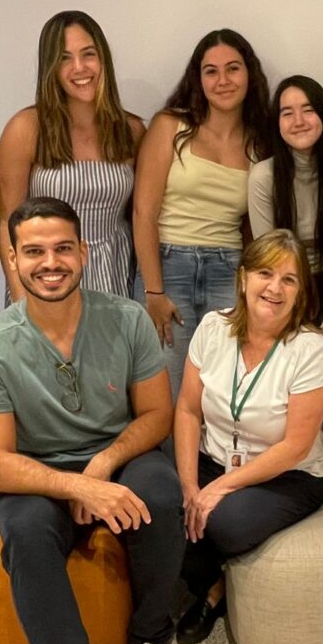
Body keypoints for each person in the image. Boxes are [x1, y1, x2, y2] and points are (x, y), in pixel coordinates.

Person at [0, 197, 184, 644]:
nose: (50, 262)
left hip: (115, 454)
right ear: (13, 260)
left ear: (84, 253)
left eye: (63, 248)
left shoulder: (128, 319)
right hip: (39, 472)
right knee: (25, 535)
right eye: (34, 251)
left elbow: (157, 415)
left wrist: (104, 465)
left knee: (160, 494)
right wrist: (75, 484)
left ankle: (150, 637)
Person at [173, 230, 323, 644]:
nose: (275, 288)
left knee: (222, 523)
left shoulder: (311, 349)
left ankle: (215, 593)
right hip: (215, 458)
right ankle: (208, 581)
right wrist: (191, 486)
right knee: (164, 513)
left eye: (289, 279)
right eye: (266, 273)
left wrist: (218, 490)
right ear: (243, 277)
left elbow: (295, 447)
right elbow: (188, 410)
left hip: (287, 475)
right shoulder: (213, 328)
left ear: (301, 292)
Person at [132, 29, 271, 396]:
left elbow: (253, 227)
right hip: (168, 267)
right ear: (198, 78)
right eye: (211, 71)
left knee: (223, 390)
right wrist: (153, 292)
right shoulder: (170, 126)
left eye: (233, 68)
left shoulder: (260, 142)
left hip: (228, 271)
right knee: (168, 390)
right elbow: (143, 213)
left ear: (249, 74)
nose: (223, 80)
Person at [0, 10, 144, 300]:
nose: (79, 67)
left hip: (113, 273)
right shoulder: (26, 128)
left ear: (103, 59)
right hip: (47, 275)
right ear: (51, 67)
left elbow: (139, 216)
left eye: (88, 54)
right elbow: (7, 223)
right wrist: (21, 298)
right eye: (65, 58)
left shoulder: (131, 130)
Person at [247, 75, 323, 325]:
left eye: (308, 110)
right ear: (277, 123)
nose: (299, 121)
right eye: (287, 113)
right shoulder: (263, 176)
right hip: (280, 290)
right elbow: (269, 257)